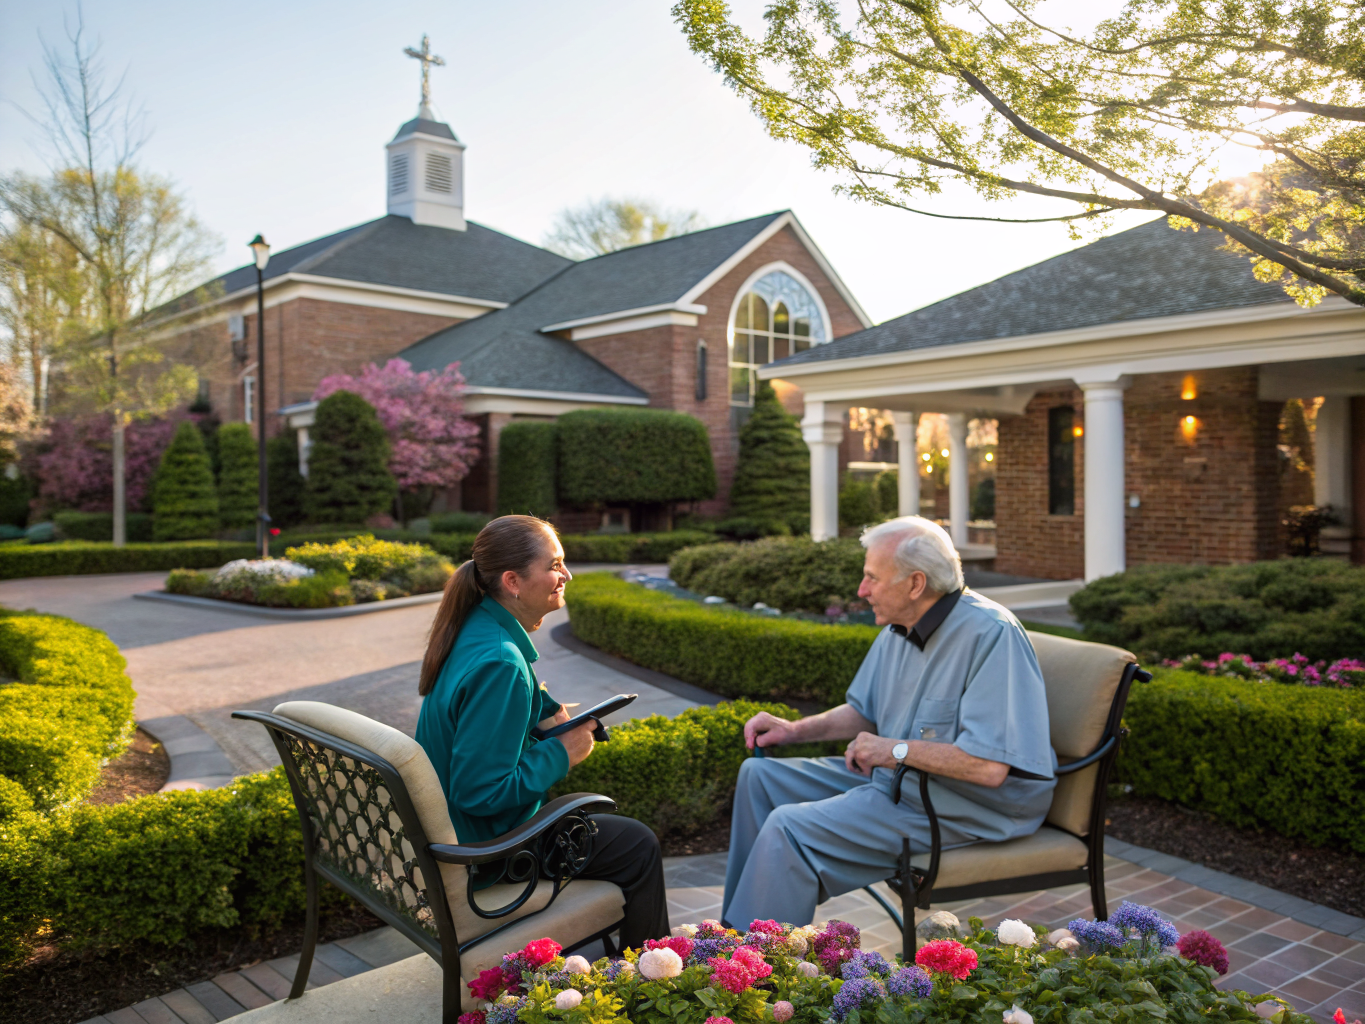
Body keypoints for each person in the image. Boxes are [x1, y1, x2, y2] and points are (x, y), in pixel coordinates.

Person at [722, 516, 1056, 928]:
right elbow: (865, 711)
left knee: (789, 828)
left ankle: (756, 970)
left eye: (871, 578)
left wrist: (893, 750)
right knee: (759, 777)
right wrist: (795, 730)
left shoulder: (991, 634)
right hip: (903, 783)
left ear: (916, 584)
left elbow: (987, 767)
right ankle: (733, 939)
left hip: (970, 804)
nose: (861, 591)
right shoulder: (900, 627)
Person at [415, 514, 669, 948]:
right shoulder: (501, 663)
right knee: (636, 844)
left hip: (454, 836)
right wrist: (562, 753)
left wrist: (543, 707)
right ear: (513, 581)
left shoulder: (477, 626)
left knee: (623, 839)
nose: (566, 575)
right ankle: (655, 980)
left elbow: (491, 702)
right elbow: (477, 792)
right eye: (555, 565)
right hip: (486, 854)